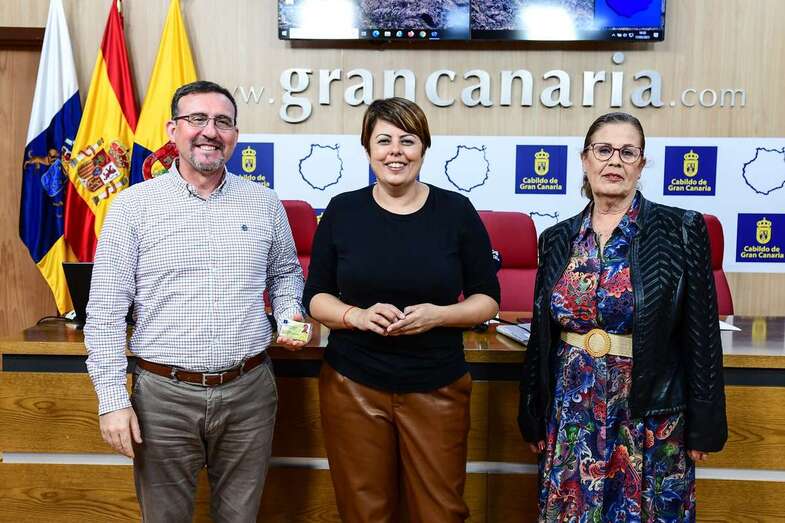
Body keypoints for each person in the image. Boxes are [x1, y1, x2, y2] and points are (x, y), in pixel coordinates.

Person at [84, 80, 308, 523]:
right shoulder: (133, 207)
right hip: (162, 397)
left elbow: (284, 274)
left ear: (235, 135)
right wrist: (112, 399)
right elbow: (106, 311)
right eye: (197, 119)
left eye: (222, 122)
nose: (210, 131)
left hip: (249, 392)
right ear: (173, 130)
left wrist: (289, 315)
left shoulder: (263, 204)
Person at [518, 111, 727, 521]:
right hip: (571, 409)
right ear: (584, 160)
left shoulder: (681, 229)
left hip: (650, 409)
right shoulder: (557, 238)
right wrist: (531, 409)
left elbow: (702, 333)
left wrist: (706, 421)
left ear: (641, 164)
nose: (614, 161)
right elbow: (542, 333)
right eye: (604, 150)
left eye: (627, 152)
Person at [303, 97, 500, 522]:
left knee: (441, 512)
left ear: (424, 148)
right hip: (354, 385)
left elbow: (487, 298)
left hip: (437, 385)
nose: (396, 151)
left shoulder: (456, 211)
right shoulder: (342, 210)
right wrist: (354, 315)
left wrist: (439, 314)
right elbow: (315, 295)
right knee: (365, 512)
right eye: (384, 140)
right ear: (368, 150)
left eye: (407, 141)